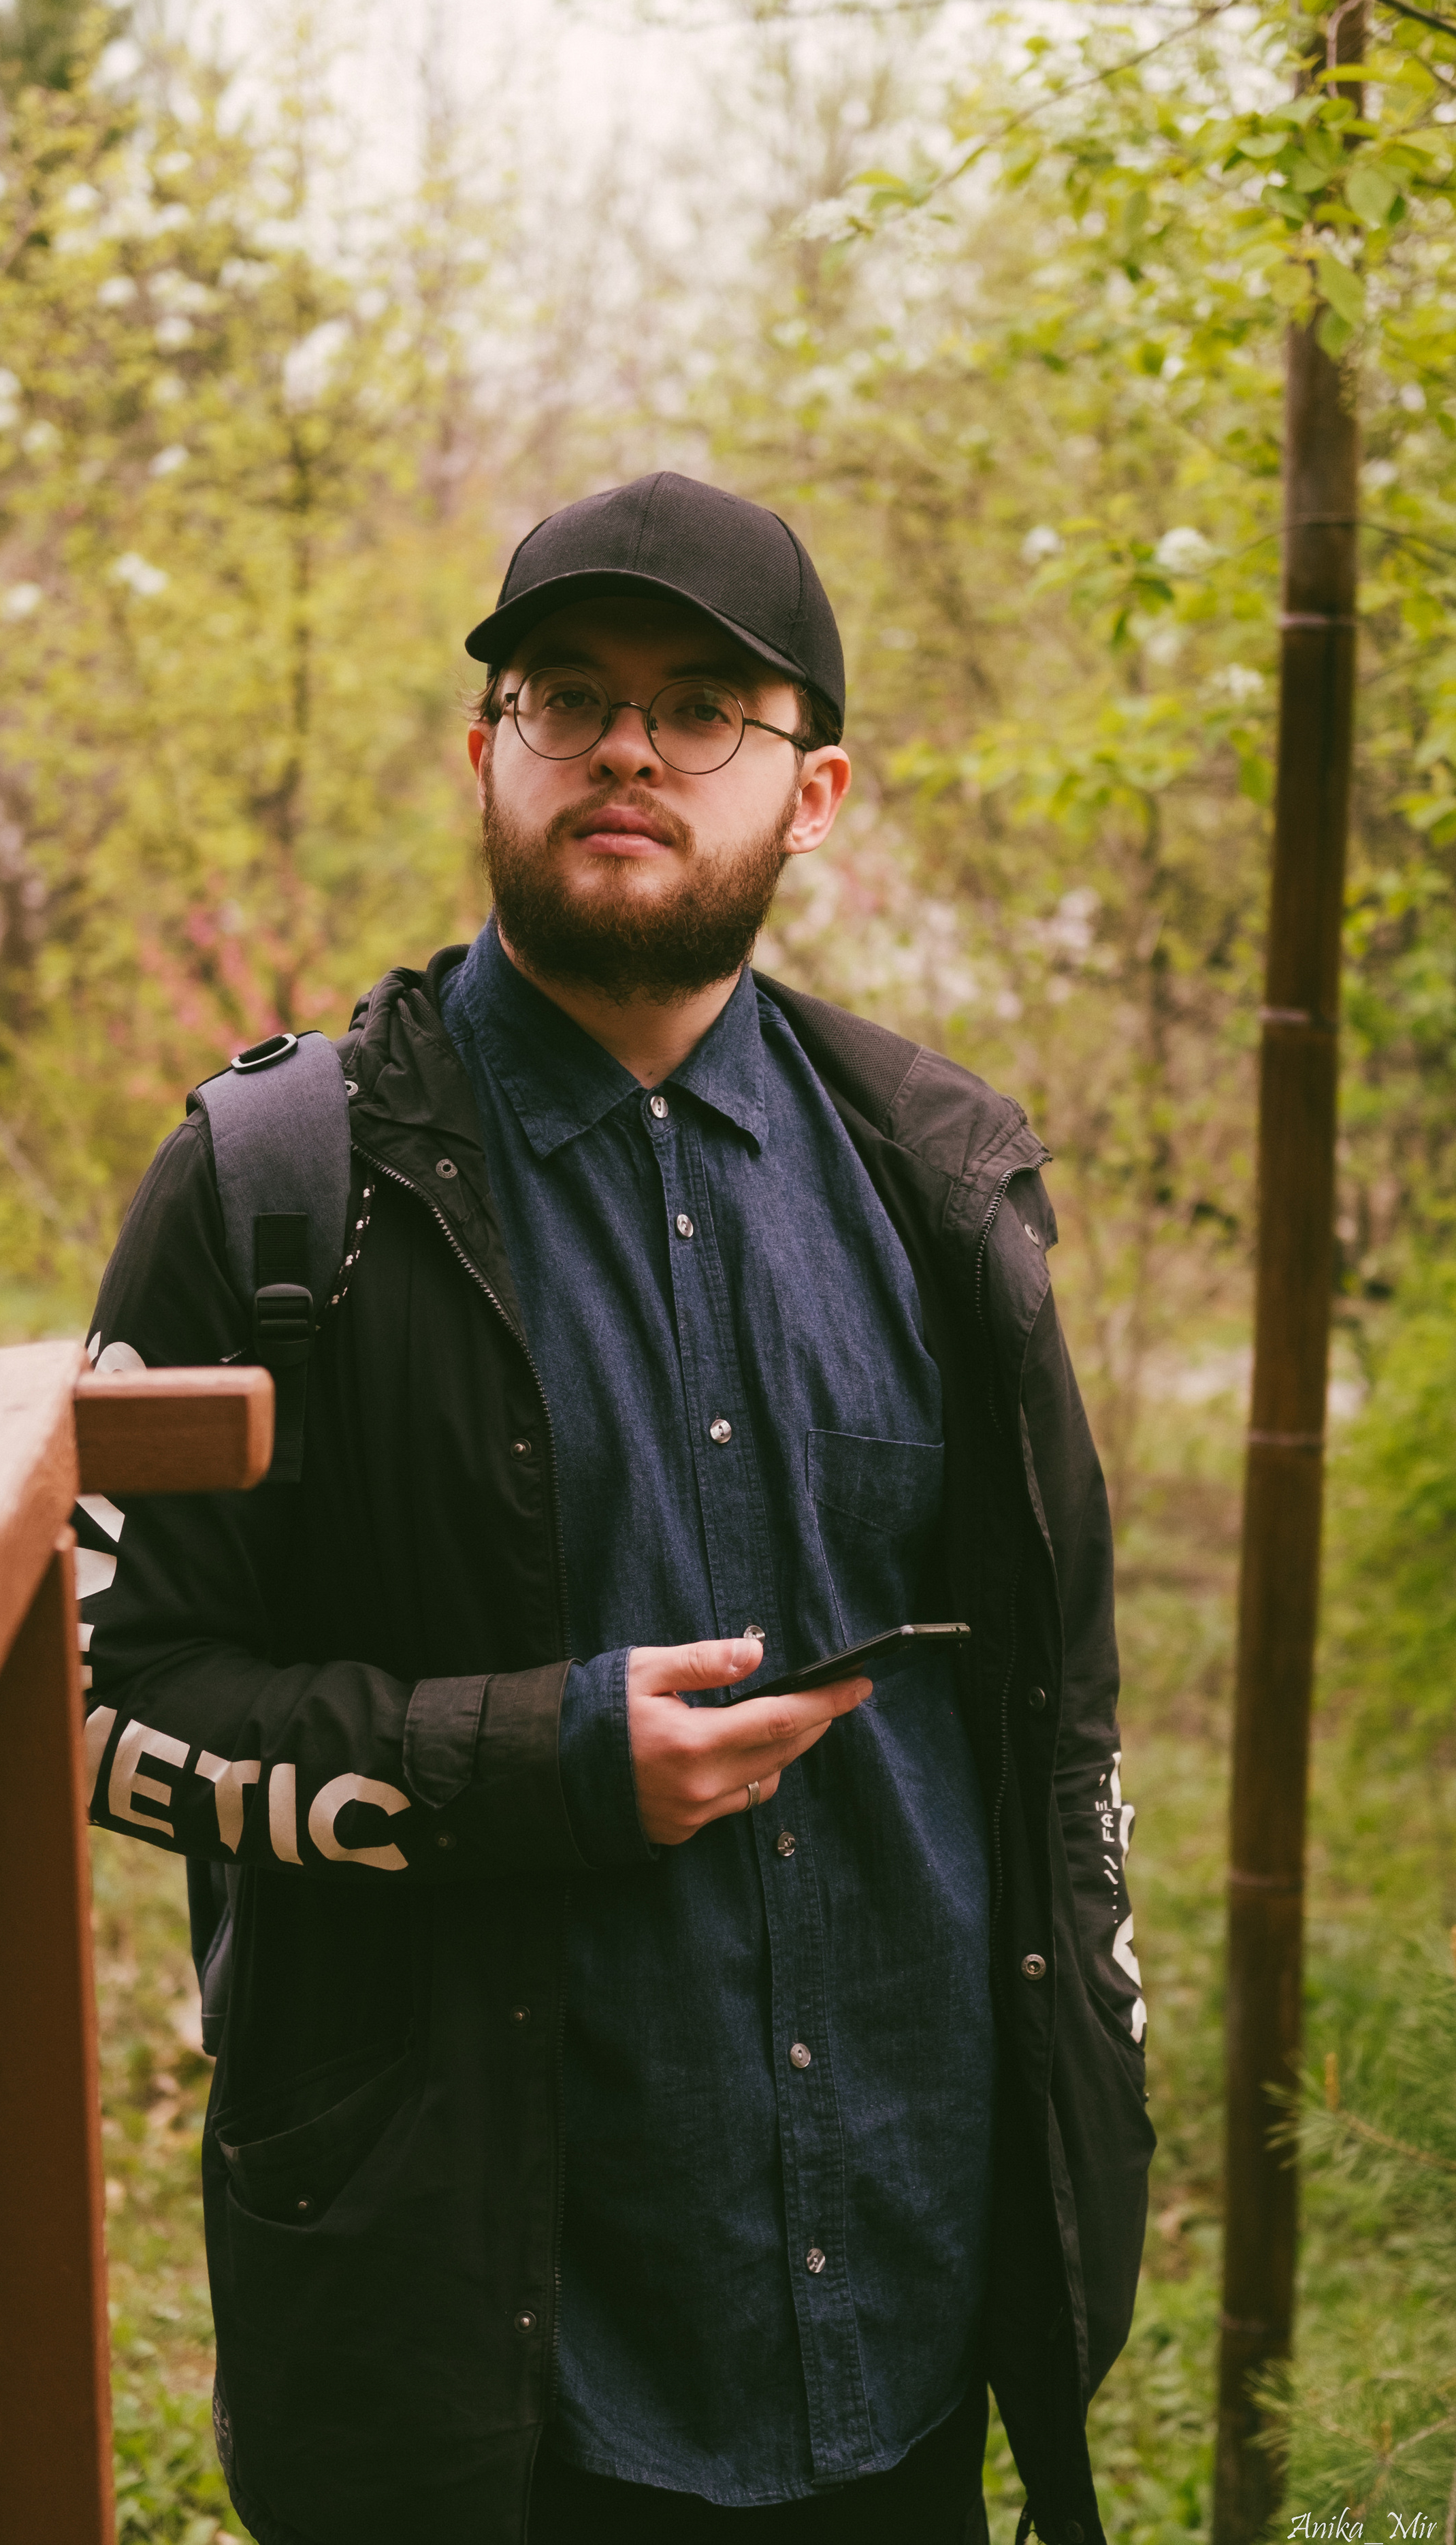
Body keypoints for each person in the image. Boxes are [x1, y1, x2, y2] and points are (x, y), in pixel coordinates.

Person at [76, 472, 1152, 2545]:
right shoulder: (277, 1193)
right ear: (491, 752)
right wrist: (546, 1758)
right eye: (566, 695)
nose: (628, 749)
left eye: (701, 708)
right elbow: (103, 1693)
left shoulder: (942, 1193)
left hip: (909, 2325)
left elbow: (1059, 1705)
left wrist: (1089, 2073)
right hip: (492, 2379)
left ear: (813, 792)